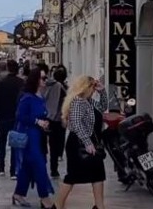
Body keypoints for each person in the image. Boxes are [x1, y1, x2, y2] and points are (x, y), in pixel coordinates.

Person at [54, 76, 109, 209]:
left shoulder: (89, 101)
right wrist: (87, 143)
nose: (93, 90)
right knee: (73, 176)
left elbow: (102, 107)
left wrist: (102, 92)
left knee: (98, 174)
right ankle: (57, 205)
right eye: (92, 87)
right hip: (78, 144)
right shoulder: (78, 102)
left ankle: (99, 206)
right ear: (86, 88)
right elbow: (77, 124)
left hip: (91, 143)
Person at [13, 68, 55, 208]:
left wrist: (45, 122)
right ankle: (44, 196)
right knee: (39, 165)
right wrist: (37, 121)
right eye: (43, 78)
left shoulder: (40, 96)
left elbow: (42, 114)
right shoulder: (28, 97)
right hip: (29, 136)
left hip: (39, 135)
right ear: (36, 80)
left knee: (27, 166)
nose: (45, 80)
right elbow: (20, 116)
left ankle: (19, 193)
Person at [0, 60, 24, 179]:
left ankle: (1, 166)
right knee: (15, 143)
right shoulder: (21, 83)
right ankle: (13, 170)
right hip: (16, 117)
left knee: (2, 141)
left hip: (2, 117)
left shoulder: (0, 83)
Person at [44, 65, 68, 177]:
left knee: (48, 143)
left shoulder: (47, 85)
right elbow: (66, 103)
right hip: (57, 118)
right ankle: (54, 168)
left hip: (46, 116)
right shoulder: (61, 87)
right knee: (56, 143)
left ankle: (48, 166)